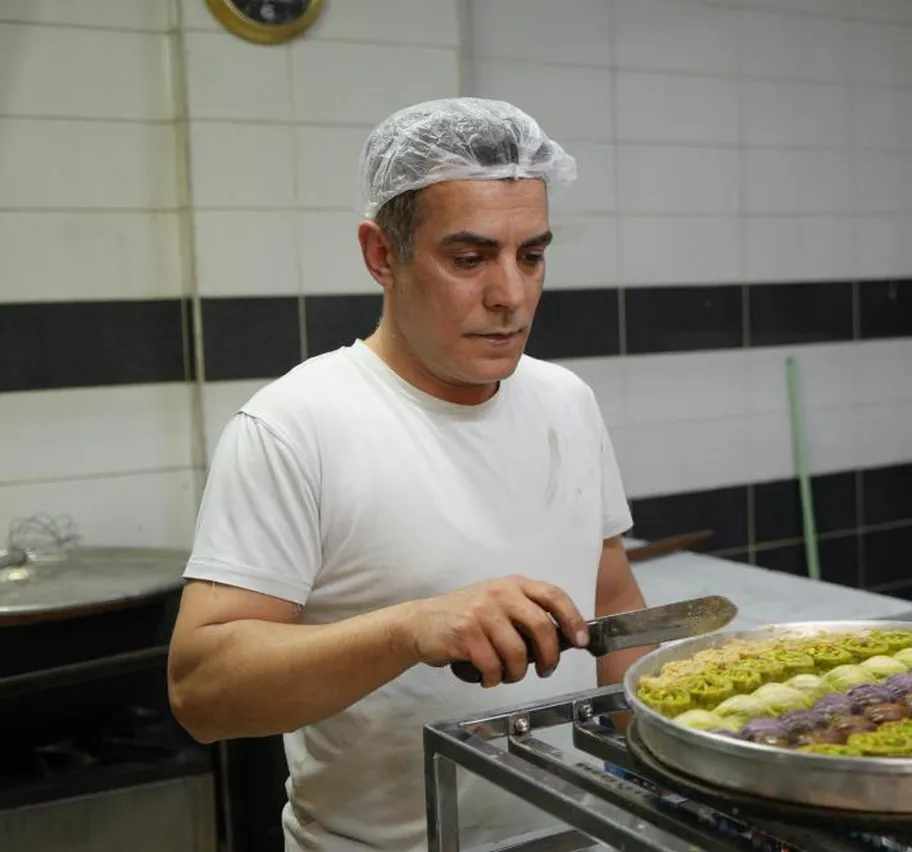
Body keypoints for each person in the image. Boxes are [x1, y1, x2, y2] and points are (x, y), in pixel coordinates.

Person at [167, 97, 649, 852]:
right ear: (381, 255)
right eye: (469, 258)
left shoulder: (566, 401)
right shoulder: (297, 426)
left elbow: (613, 607)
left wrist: (678, 764)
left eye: (531, 255)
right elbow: (202, 693)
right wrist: (411, 627)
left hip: (581, 831)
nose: (511, 296)